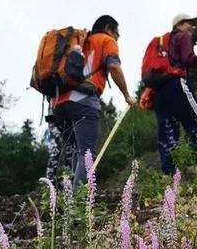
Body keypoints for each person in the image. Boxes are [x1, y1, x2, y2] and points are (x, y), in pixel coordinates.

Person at [53, 15, 136, 185]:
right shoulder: (106, 40)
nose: (117, 38)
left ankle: (71, 199)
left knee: (78, 151)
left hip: (59, 102)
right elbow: (113, 65)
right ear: (108, 29)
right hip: (83, 100)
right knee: (87, 153)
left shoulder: (80, 42)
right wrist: (127, 94)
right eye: (117, 34)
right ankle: (80, 201)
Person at [154, 13, 197, 174]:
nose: (193, 27)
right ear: (179, 25)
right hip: (177, 84)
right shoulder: (182, 36)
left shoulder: (164, 43)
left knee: (168, 132)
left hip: (160, 91)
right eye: (190, 23)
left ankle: (169, 175)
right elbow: (188, 60)